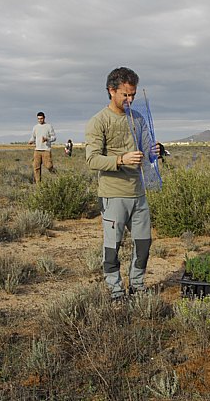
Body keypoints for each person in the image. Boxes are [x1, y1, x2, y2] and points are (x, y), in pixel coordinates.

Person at [85, 67, 152, 300]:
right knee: (113, 247)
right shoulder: (98, 121)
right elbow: (92, 159)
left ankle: (137, 285)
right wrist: (121, 160)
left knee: (144, 244)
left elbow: (147, 151)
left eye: (132, 94)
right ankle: (115, 290)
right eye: (125, 94)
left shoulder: (138, 118)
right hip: (113, 195)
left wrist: (156, 151)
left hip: (139, 193)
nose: (130, 99)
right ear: (111, 91)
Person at [28, 111, 56, 183]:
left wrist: (47, 139)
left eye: (41, 118)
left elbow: (54, 137)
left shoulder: (49, 126)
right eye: (38, 119)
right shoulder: (35, 127)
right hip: (37, 150)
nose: (40, 120)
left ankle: (56, 175)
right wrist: (31, 141)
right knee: (36, 167)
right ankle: (38, 184)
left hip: (46, 150)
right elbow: (33, 137)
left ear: (44, 118)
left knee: (48, 166)